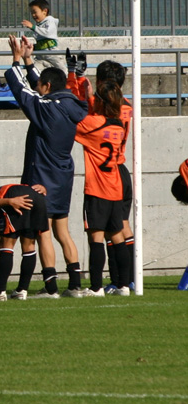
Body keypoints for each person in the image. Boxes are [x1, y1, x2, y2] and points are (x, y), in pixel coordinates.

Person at [5, 35, 88, 297]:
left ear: (48, 86)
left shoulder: (47, 108)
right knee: (63, 230)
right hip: (64, 174)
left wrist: (16, 60)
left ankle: (51, 286)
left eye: (41, 83)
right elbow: (37, 90)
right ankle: (75, 284)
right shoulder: (70, 104)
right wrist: (30, 61)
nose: (38, 86)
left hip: (43, 174)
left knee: (43, 231)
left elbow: (23, 92)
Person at [68, 58, 135, 293]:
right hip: (119, 172)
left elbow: (74, 115)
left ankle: (96, 286)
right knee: (119, 231)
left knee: (97, 234)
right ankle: (124, 283)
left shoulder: (93, 123)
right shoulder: (125, 110)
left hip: (99, 182)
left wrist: (74, 78)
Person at [22, 0, 65, 71]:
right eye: (32, 13)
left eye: (35, 12)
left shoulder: (50, 21)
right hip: (40, 55)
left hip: (51, 54)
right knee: (35, 70)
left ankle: (68, 81)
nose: (33, 15)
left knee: (61, 70)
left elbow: (47, 33)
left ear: (44, 11)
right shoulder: (39, 25)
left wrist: (33, 27)